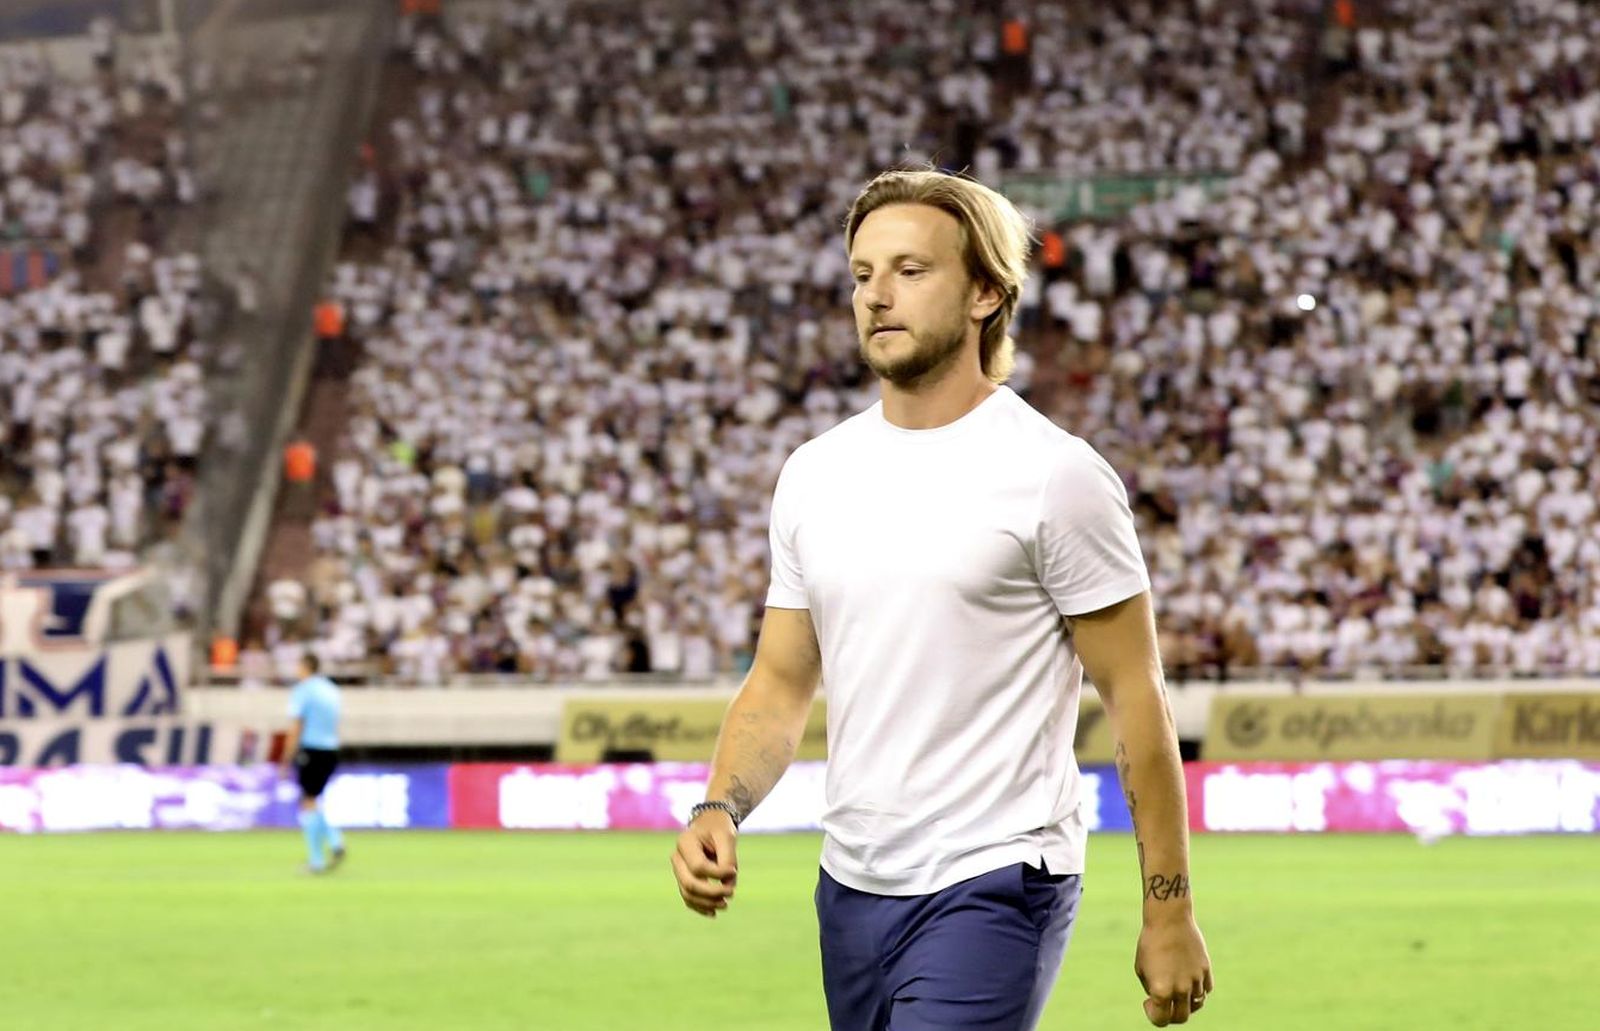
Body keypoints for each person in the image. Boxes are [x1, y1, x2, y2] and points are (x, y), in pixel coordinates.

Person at [670, 169, 1213, 1030]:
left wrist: (1169, 909)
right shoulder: (814, 474)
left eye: (910, 270)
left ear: (986, 294)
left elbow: (1135, 697)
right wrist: (719, 805)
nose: (877, 295)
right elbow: (779, 680)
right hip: (850, 884)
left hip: (996, 880)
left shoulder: (1055, 474)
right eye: (861, 273)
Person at [280, 653, 347, 874]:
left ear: (305, 666)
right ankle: (335, 841)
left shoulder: (303, 690)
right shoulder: (332, 689)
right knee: (313, 800)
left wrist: (286, 757)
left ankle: (317, 859)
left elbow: (297, 725)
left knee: (308, 802)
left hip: (311, 748)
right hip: (331, 750)